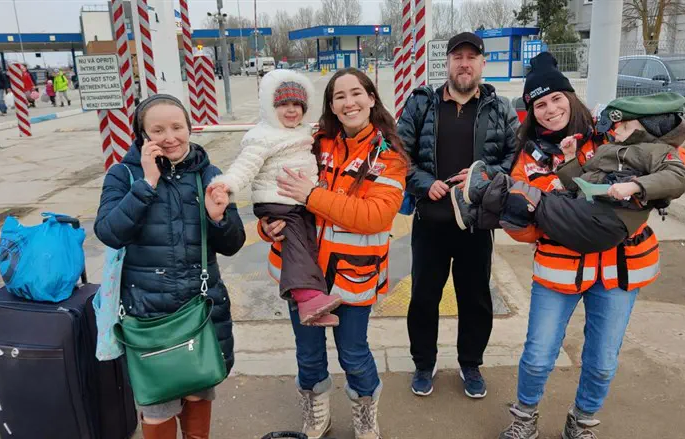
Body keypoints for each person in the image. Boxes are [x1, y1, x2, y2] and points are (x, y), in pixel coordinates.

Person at [485, 53, 685, 439]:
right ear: (531, 112)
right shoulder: (526, 158)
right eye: (540, 104)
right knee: (538, 356)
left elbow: (680, 163)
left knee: (601, 362)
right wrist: (544, 218)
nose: (550, 110)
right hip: (560, 267)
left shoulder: (610, 131)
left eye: (556, 99)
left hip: (619, 268)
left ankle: (580, 423)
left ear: (570, 97)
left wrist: (642, 186)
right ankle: (524, 419)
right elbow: (523, 228)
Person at [259, 67, 408, 439]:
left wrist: (312, 195)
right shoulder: (313, 142)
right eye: (339, 96)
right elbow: (274, 188)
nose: (348, 102)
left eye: (356, 93)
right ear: (330, 105)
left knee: (353, 354)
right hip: (302, 274)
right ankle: (316, 413)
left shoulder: (388, 157)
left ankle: (366, 412)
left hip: (353, 276)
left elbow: (375, 216)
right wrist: (267, 226)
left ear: (371, 98)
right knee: (308, 353)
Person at [94, 94, 246, 439]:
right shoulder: (123, 175)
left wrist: (218, 218)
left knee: (199, 392)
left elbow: (233, 244)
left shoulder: (209, 174)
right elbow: (109, 233)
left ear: (189, 128)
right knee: (157, 404)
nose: (170, 137)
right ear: (143, 135)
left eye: (177, 127)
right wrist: (146, 184)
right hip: (148, 313)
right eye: (158, 130)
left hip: (200, 311)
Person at [397, 31, 518, 398]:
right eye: (457, 57)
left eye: (471, 57)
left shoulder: (500, 109)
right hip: (430, 222)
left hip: (477, 224)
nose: (464, 64)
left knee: (476, 298)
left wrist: (485, 176)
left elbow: (515, 159)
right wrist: (424, 183)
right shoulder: (421, 105)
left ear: (482, 63)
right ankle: (424, 363)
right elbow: (399, 155)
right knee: (423, 297)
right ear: (447, 63)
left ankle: (470, 363)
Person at [451, 92, 685, 255]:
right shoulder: (613, 147)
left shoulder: (650, 149)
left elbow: (680, 174)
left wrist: (637, 186)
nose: (617, 131)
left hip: (607, 226)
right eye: (540, 105)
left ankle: (483, 189)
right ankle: (475, 214)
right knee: (529, 205)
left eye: (625, 126)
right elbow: (580, 185)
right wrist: (569, 160)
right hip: (583, 223)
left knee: (532, 200)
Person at [211, 69, 342, 326]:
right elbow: (245, 166)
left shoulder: (303, 131)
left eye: (297, 104)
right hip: (277, 200)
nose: (291, 110)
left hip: (299, 202)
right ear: (272, 108)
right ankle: (306, 298)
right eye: (284, 104)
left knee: (309, 245)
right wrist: (226, 185)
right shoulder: (264, 136)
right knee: (296, 246)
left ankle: (313, 302)